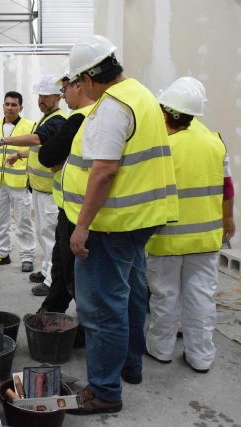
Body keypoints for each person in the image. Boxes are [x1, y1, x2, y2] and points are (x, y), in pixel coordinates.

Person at [61, 35, 178, 414]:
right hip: (137, 220)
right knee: (129, 295)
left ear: (91, 78)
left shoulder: (112, 107)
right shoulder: (139, 93)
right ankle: (130, 365)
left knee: (99, 309)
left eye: (77, 82)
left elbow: (104, 171)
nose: (77, 88)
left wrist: (81, 227)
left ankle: (105, 391)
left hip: (110, 226)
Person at [145, 76, 235, 374]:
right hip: (207, 238)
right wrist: (228, 219)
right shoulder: (215, 141)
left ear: (169, 111)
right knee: (201, 298)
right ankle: (201, 357)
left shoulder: (163, 145)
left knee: (165, 296)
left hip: (167, 238)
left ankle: (160, 351)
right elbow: (228, 187)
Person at [0, 75, 67, 284]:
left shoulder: (57, 120)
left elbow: (38, 139)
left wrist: (3, 142)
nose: (41, 100)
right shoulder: (46, 118)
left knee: (48, 234)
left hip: (49, 189)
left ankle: (52, 279)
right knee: (43, 232)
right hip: (37, 188)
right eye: (40, 96)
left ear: (58, 97)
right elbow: (41, 147)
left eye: (46, 96)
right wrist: (19, 155)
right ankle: (47, 270)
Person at [37, 73, 95, 315]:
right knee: (61, 266)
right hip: (70, 206)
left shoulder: (79, 118)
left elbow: (46, 156)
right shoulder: (96, 115)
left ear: (78, 86)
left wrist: (60, 158)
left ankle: (85, 326)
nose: (63, 95)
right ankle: (51, 310)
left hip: (77, 210)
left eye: (64, 89)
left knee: (74, 271)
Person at [0, 91, 36, 270]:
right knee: (0, 220)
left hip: (19, 183)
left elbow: (35, 150)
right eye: (7, 104)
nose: (10, 108)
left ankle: (27, 256)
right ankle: (1, 253)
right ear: (3, 106)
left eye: (14, 105)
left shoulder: (30, 125)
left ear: (20, 107)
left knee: (23, 221)